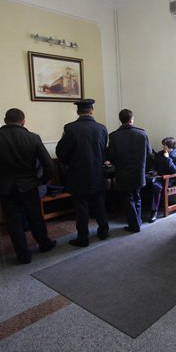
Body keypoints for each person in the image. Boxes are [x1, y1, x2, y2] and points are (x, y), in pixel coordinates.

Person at [0, 108, 56, 264]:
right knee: (35, 217)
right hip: (29, 185)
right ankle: (44, 244)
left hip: (5, 188)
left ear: (5, 120)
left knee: (14, 222)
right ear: (23, 121)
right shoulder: (33, 138)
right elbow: (48, 165)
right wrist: (41, 181)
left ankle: (23, 255)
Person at [56, 98, 109, 247]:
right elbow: (103, 150)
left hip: (78, 173)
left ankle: (83, 238)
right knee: (99, 204)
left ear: (78, 112)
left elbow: (61, 152)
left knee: (81, 208)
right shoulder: (102, 128)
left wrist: (69, 163)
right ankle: (104, 231)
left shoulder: (70, 128)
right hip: (97, 172)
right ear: (92, 111)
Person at [106, 108, 153, 233]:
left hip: (123, 172)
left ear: (120, 120)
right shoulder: (142, 134)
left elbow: (110, 156)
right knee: (137, 197)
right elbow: (149, 153)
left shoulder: (114, 136)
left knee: (128, 199)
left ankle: (134, 225)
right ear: (132, 119)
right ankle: (138, 221)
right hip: (139, 172)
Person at [145, 137, 176, 223]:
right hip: (158, 177)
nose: (163, 147)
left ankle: (154, 212)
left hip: (169, 180)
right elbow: (155, 164)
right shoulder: (161, 153)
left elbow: (174, 170)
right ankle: (143, 208)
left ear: (170, 147)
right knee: (142, 181)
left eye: (164, 146)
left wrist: (167, 158)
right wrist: (153, 171)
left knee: (156, 186)